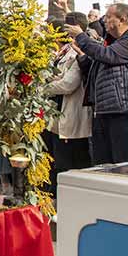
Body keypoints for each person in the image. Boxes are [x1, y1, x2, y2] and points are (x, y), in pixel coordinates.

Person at [66, 3, 128, 165]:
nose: (104, 21)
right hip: (103, 109)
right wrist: (82, 55)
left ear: (122, 19)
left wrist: (82, 37)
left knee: (120, 162)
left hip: (120, 110)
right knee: (103, 162)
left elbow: (108, 56)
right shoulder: (111, 42)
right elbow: (95, 67)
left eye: (109, 17)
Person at [45, 13, 93, 195]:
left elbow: (68, 84)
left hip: (72, 118)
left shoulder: (80, 51)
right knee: (58, 163)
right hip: (57, 120)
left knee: (71, 166)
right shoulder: (64, 51)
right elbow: (55, 76)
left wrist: (43, 87)